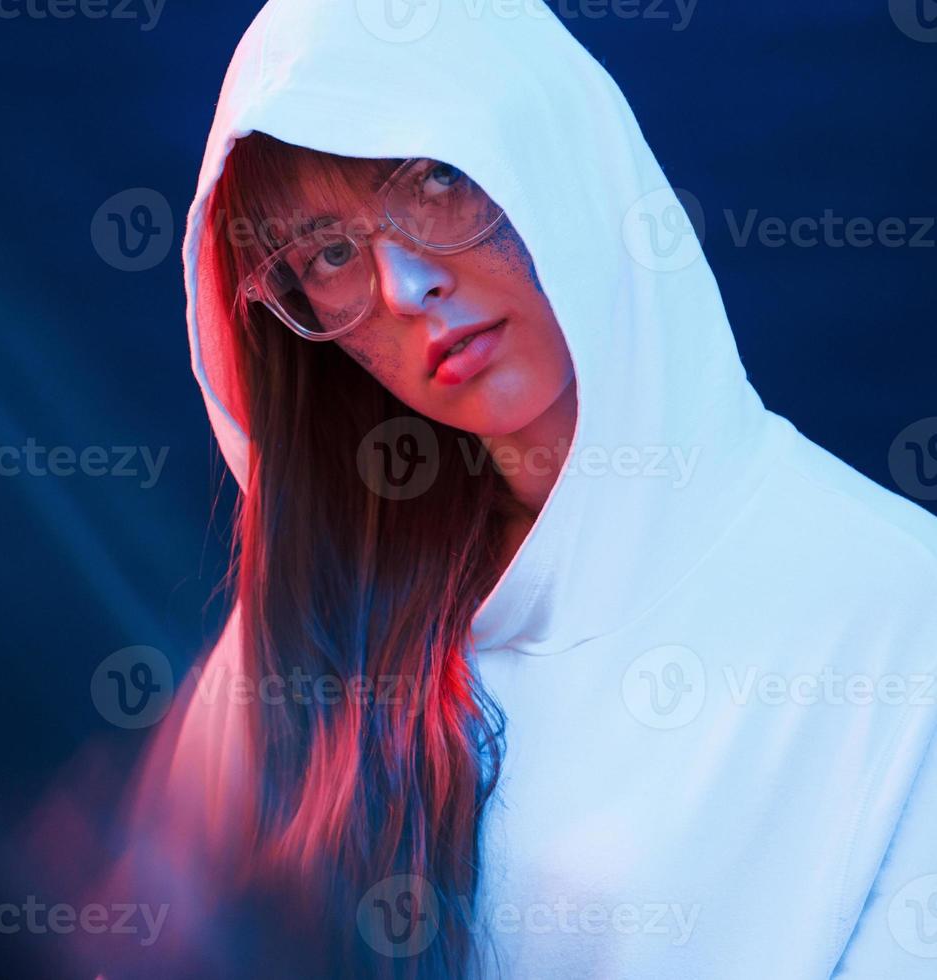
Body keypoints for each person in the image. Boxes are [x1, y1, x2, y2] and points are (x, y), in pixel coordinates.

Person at [113, 2, 937, 977]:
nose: (404, 282)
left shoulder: (895, 610)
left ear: (557, 147)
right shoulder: (310, 634)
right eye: (329, 253)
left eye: (434, 181)